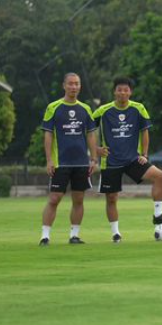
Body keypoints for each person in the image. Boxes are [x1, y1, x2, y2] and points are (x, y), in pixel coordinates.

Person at [92, 76, 162, 243]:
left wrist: (144, 155)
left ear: (130, 92)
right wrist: (95, 149)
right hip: (110, 161)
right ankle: (115, 233)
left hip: (133, 159)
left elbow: (145, 131)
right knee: (111, 198)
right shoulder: (103, 111)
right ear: (114, 91)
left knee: (159, 176)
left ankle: (158, 215)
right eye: (119, 89)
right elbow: (87, 130)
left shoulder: (139, 109)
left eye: (126, 90)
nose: (122, 93)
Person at [39, 73, 98, 246]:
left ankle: (74, 235)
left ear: (80, 86)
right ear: (64, 85)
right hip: (61, 162)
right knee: (54, 198)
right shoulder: (53, 107)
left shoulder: (85, 108)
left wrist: (93, 159)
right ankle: (45, 236)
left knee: (78, 199)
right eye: (70, 84)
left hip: (81, 162)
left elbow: (91, 135)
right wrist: (49, 160)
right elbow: (48, 135)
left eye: (77, 84)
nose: (74, 87)